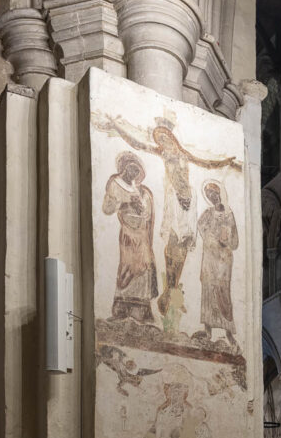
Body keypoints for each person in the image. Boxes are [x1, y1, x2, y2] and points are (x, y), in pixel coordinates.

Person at [96, 115, 241, 319]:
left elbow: (206, 163)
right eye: (160, 139)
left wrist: (225, 162)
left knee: (184, 247)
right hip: (173, 198)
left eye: (165, 138)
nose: (163, 142)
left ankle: (172, 292)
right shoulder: (161, 153)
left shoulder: (184, 154)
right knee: (172, 245)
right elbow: (138, 144)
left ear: (173, 138)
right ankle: (168, 292)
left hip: (188, 199)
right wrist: (117, 127)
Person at [102, 152, 158, 325]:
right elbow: (107, 208)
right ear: (124, 167)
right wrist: (126, 203)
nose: (134, 173)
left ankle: (141, 311)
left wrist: (142, 208)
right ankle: (122, 309)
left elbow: (147, 213)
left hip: (142, 234)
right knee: (128, 268)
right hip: (128, 233)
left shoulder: (140, 189)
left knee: (144, 266)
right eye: (132, 169)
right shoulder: (115, 184)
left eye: (137, 171)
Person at [195, 180, 239, 347]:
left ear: (219, 193)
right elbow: (201, 227)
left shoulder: (229, 215)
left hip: (224, 261)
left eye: (214, 193)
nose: (212, 197)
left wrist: (226, 240)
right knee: (208, 290)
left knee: (223, 292)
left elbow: (235, 242)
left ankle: (228, 332)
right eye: (209, 195)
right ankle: (207, 330)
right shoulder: (208, 213)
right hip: (210, 259)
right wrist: (211, 238)